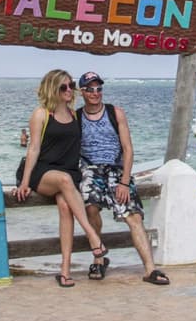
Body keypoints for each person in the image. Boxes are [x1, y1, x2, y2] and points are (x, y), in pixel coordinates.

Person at [75, 71, 170, 285]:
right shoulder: (77, 116)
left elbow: (128, 149)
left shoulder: (115, 113)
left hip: (116, 170)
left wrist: (125, 181)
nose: (95, 92)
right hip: (90, 168)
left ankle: (150, 269)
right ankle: (98, 259)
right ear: (82, 92)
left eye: (99, 88)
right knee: (90, 209)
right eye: (90, 89)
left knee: (133, 216)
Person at [15, 69, 107, 288]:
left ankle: (65, 271)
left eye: (71, 85)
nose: (69, 90)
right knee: (64, 180)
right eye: (63, 87)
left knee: (66, 207)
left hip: (68, 172)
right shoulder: (41, 114)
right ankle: (93, 236)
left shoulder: (75, 114)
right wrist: (25, 182)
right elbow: (34, 148)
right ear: (52, 89)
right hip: (42, 171)